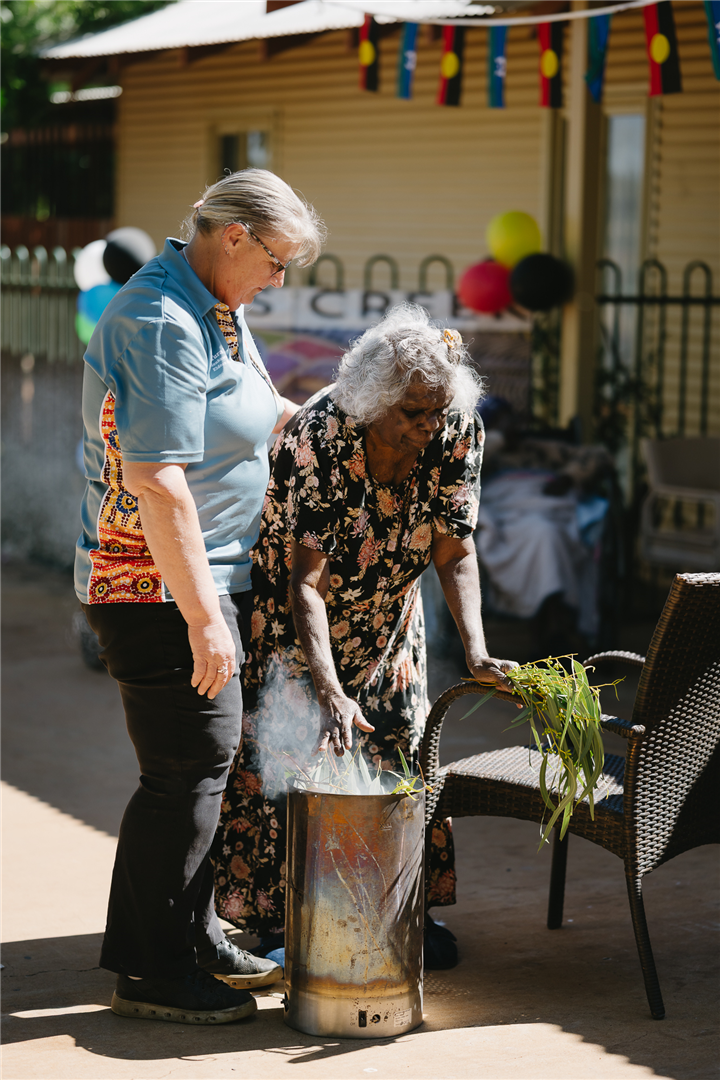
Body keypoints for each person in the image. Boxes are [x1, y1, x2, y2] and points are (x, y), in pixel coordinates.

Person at [75, 169, 325, 1025]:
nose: (279, 279)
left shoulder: (216, 304)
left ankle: (194, 935)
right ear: (235, 236)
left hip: (208, 578)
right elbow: (157, 480)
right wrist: (203, 618)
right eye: (277, 260)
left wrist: (326, 414)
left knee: (205, 771)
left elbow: (251, 409)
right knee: (184, 772)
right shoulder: (161, 321)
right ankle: (150, 970)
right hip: (156, 589)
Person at [213, 304, 517, 968]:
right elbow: (305, 584)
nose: (428, 425)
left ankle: (401, 909)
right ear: (373, 402)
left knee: (400, 752)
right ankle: (283, 921)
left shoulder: (456, 426)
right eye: (412, 412)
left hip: (390, 617)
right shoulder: (320, 435)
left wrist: (476, 648)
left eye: (437, 410)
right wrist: (328, 689)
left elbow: (454, 547)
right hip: (296, 624)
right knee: (294, 761)